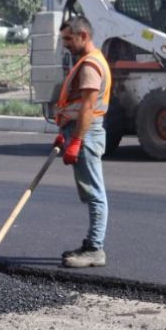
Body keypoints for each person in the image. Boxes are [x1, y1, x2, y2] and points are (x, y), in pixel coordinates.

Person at [54, 16, 112, 268]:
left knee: (95, 193)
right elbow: (77, 106)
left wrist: (76, 139)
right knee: (91, 192)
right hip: (80, 130)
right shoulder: (88, 61)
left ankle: (95, 250)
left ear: (83, 36)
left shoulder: (90, 65)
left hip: (87, 133)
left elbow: (88, 108)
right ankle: (90, 244)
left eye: (69, 38)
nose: (65, 44)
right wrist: (65, 128)